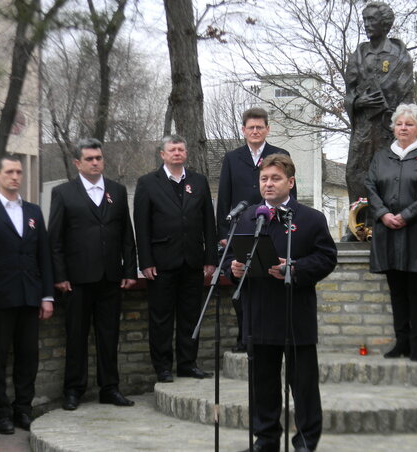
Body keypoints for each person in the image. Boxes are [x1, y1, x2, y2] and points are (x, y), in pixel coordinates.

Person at [225, 154, 337, 452]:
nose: (269, 184)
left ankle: (305, 443)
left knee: (303, 387)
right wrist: (234, 271)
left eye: (275, 178)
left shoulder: (311, 218)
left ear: (290, 182)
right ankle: (266, 442)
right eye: (264, 179)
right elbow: (229, 261)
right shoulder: (248, 218)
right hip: (258, 314)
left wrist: (296, 267)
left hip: (294, 315)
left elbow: (327, 258)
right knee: (263, 386)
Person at [48, 138, 137, 411]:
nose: (95, 162)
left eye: (98, 157)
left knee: (109, 336)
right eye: (89, 159)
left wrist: (129, 269)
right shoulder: (64, 193)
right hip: (77, 280)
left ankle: (110, 388)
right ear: (78, 163)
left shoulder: (117, 191)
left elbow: (126, 235)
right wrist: (60, 275)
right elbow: (56, 239)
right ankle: (73, 390)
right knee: (76, 336)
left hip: (110, 278)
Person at [134, 135, 217, 383]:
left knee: (190, 316)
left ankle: (187, 364)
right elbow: (142, 225)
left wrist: (210, 257)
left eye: (181, 149)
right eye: (172, 149)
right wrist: (145, 261)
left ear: (186, 152)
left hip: (192, 261)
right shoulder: (148, 183)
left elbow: (208, 225)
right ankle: (163, 367)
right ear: (162, 154)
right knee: (161, 318)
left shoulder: (199, 182)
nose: (177, 153)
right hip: (161, 263)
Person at [0, 156, 54, 433]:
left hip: (29, 297)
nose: (15, 176)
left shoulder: (34, 212)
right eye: (10, 172)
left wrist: (47, 296)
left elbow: (43, 256)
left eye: (19, 172)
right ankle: (0, 414)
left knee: (28, 356)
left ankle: (23, 409)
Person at [364, 103, 417, 362]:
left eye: (409, 124)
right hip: (388, 233)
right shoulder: (382, 156)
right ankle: (402, 341)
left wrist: (406, 216)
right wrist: (384, 213)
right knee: (396, 291)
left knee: (416, 291)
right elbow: (371, 186)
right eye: (399, 124)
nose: (403, 128)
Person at [217, 107, 296, 353]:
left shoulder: (280, 154)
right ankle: (245, 337)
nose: (255, 131)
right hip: (242, 229)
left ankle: (274, 337)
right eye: (250, 127)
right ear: (243, 130)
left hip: (273, 225)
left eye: (259, 127)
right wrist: (222, 232)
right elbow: (224, 197)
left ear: (267, 129)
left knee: (270, 281)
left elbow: (291, 194)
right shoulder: (232, 158)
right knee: (242, 283)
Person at [344, 2, 413, 205]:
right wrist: (357, 102)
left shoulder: (400, 57)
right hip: (364, 128)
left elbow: (408, 99)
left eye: (371, 20)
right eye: (365, 20)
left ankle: (385, 219)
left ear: (384, 23)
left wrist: (399, 123)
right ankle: (358, 222)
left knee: (389, 174)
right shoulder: (359, 54)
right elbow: (349, 94)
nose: (366, 24)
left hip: (389, 127)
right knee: (355, 172)